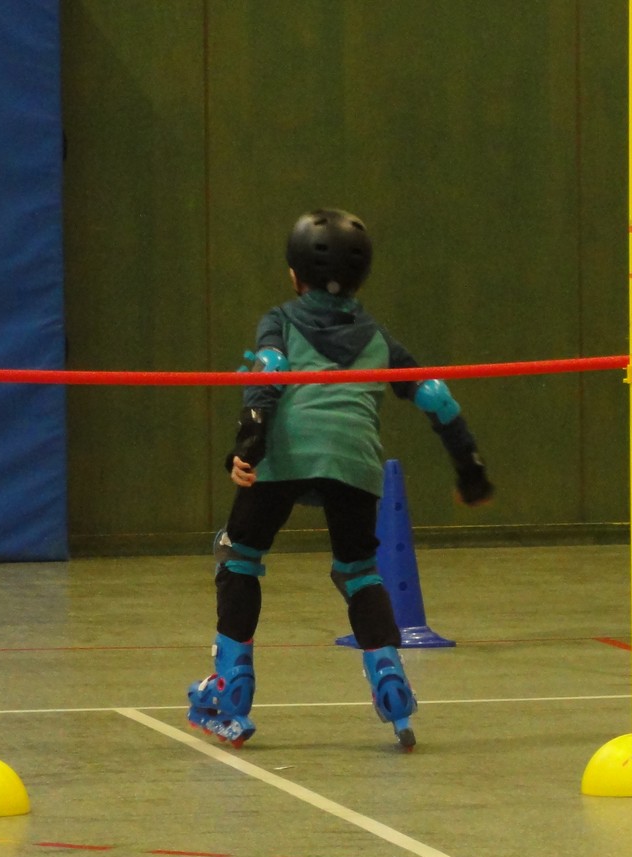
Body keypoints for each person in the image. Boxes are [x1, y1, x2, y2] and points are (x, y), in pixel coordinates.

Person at [186, 208, 493, 751]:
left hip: (286, 455)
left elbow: (268, 375)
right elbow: (434, 395)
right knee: (358, 571)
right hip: (355, 462)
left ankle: (232, 685)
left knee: (239, 556)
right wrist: (469, 468)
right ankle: (390, 680)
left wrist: (247, 447)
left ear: (293, 274)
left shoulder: (281, 319)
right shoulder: (376, 335)